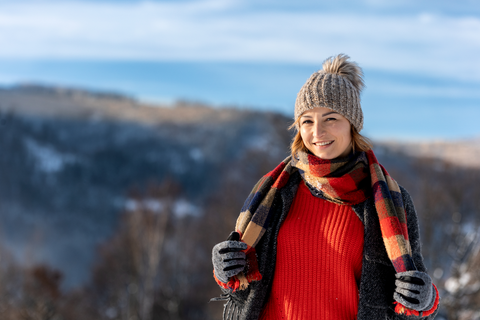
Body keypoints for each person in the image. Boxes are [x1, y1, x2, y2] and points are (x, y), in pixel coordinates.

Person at [211, 54, 439, 320]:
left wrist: (426, 300)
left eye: (331, 119)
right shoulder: (275, 192)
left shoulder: (387, 203)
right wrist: (224, 268)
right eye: (307, 121)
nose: (317, 132)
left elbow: (413, 291)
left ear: (352, 125)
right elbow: (243, 289)